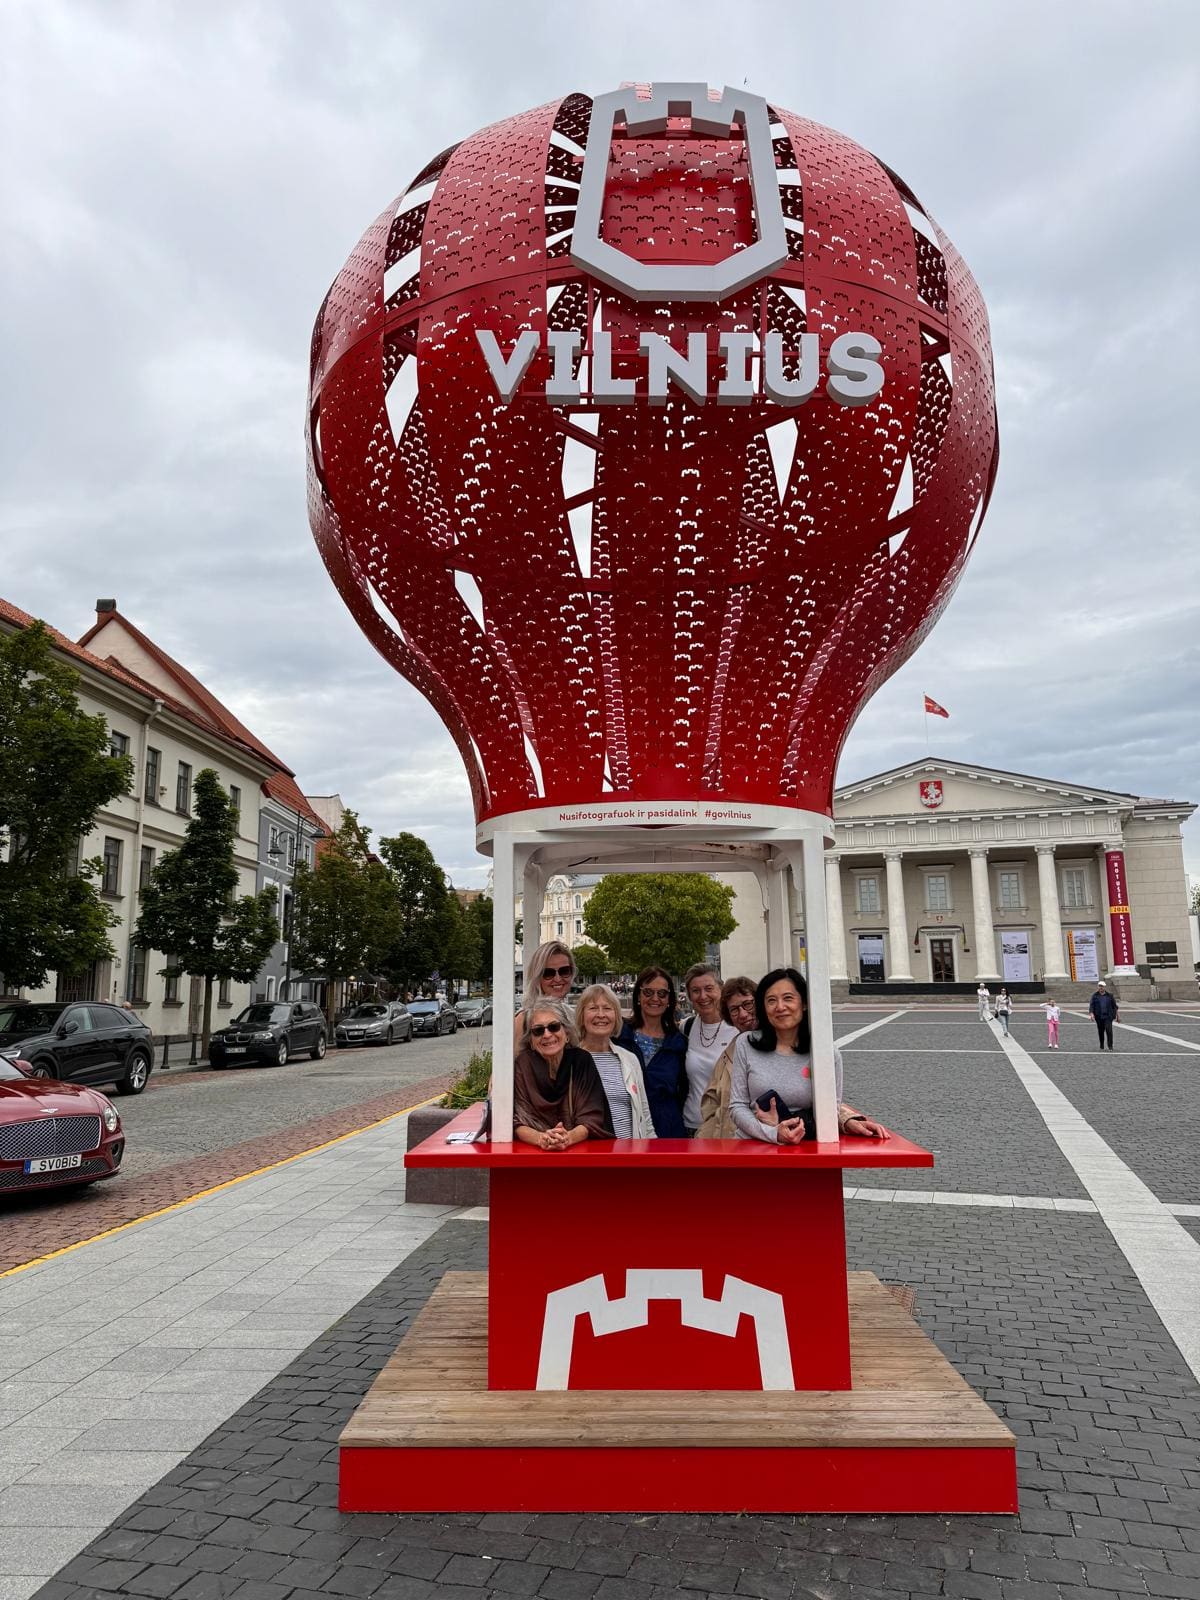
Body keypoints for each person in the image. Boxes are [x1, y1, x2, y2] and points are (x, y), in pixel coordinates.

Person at [729, 968, 889, 1144]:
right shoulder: (746, 1044)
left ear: (804, 1003)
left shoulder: (827, 1054)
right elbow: (737, 1106)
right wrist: (772, 1132)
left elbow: (830, 1111)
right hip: (753, 1148)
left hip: (805, 1149)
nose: (780, 1007)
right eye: (771, 1001)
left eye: (788, 998)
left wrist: (849, 1121)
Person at [513, 1000, 614, 1150]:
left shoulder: (581, 1060)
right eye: (538, 1031)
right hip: (532, 1157)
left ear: (566, 1033)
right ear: (531, 1041)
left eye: (554, 1027)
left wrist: (568, 1138)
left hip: (579, 1156)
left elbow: (592, 1118)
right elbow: (516, 1120)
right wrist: (541, 1138)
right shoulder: (523, 1065)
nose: (547, 1035)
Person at [574, 984, 655, 1140]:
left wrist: (651, 1153)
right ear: (581, 1016)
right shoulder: (571, 1060)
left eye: (607, 1008)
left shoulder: (629, 1059)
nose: (601, 1015)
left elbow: (644, 1115)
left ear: (616, 1016)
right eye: (593, 1008)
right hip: (588, 1157)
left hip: (629, 1157)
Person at [616, 967, 688, 1137]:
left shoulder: (679, 1043)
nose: (655, 998)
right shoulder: (619, 1035)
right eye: (648, 992)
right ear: (639, 996)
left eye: (662, 993)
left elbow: (684, 1090)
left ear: (669, 999)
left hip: (668, 1132)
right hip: (625, 1128)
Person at [696, 976, 759, 1139]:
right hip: (726, 1151)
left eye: (747, 1004)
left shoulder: (779, 1046)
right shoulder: (729, 1053)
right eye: (734, 1009)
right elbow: (711, 1104)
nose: (743, 1014)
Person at [680, 963, 738, 1135]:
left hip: (725, 1128)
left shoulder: (737, 1029)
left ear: (721, 990)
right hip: (690, 1125)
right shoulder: (687, 1027)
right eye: (696, 991)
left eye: (709, 988)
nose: (703, 996)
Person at [514, 940, 575, 1048]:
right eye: (548, 973)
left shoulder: (571, 1015)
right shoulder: (524, 1019)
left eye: (564, 971)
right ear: (537, 977)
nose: (557, 979)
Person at [1088, 980, 1119, 1050]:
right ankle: (1101, 1044)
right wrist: (1092, 1014)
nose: (1100, 988)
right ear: (1098, 987)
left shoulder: (1110, 996)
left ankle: (1110, 1046)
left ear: (1104, 987)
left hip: (1108, 1016)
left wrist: (1118, 1016)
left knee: (1109, 1031)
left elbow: (1115, 1006)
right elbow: (1091, 1006)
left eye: (1102, 986)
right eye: (1099, 986)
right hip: (1099, 1017)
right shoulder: (1095, 996)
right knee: (1101, 1031)